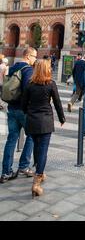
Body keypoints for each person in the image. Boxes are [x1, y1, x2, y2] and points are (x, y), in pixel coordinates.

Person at [21, 59, 65, 197]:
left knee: (36, 146)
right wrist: (62, 118)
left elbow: (23, 105)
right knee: (43, 150)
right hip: (45, 120)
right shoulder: (51, 84)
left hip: (32, 120)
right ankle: (37, 180)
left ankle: (39, 171)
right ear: (47, 69)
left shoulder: (29, 84)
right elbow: (57, 103)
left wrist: (30, 112)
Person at [0, 47, 37, 183]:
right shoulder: (27, 69)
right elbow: (28, 89)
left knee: (11, 139)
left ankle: (6, 172)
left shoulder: (13, 67)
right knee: (32, 135)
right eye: (34, 56)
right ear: (27, 56)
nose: (35, 59)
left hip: (11, 108)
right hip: (23, 110)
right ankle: (23, 166)